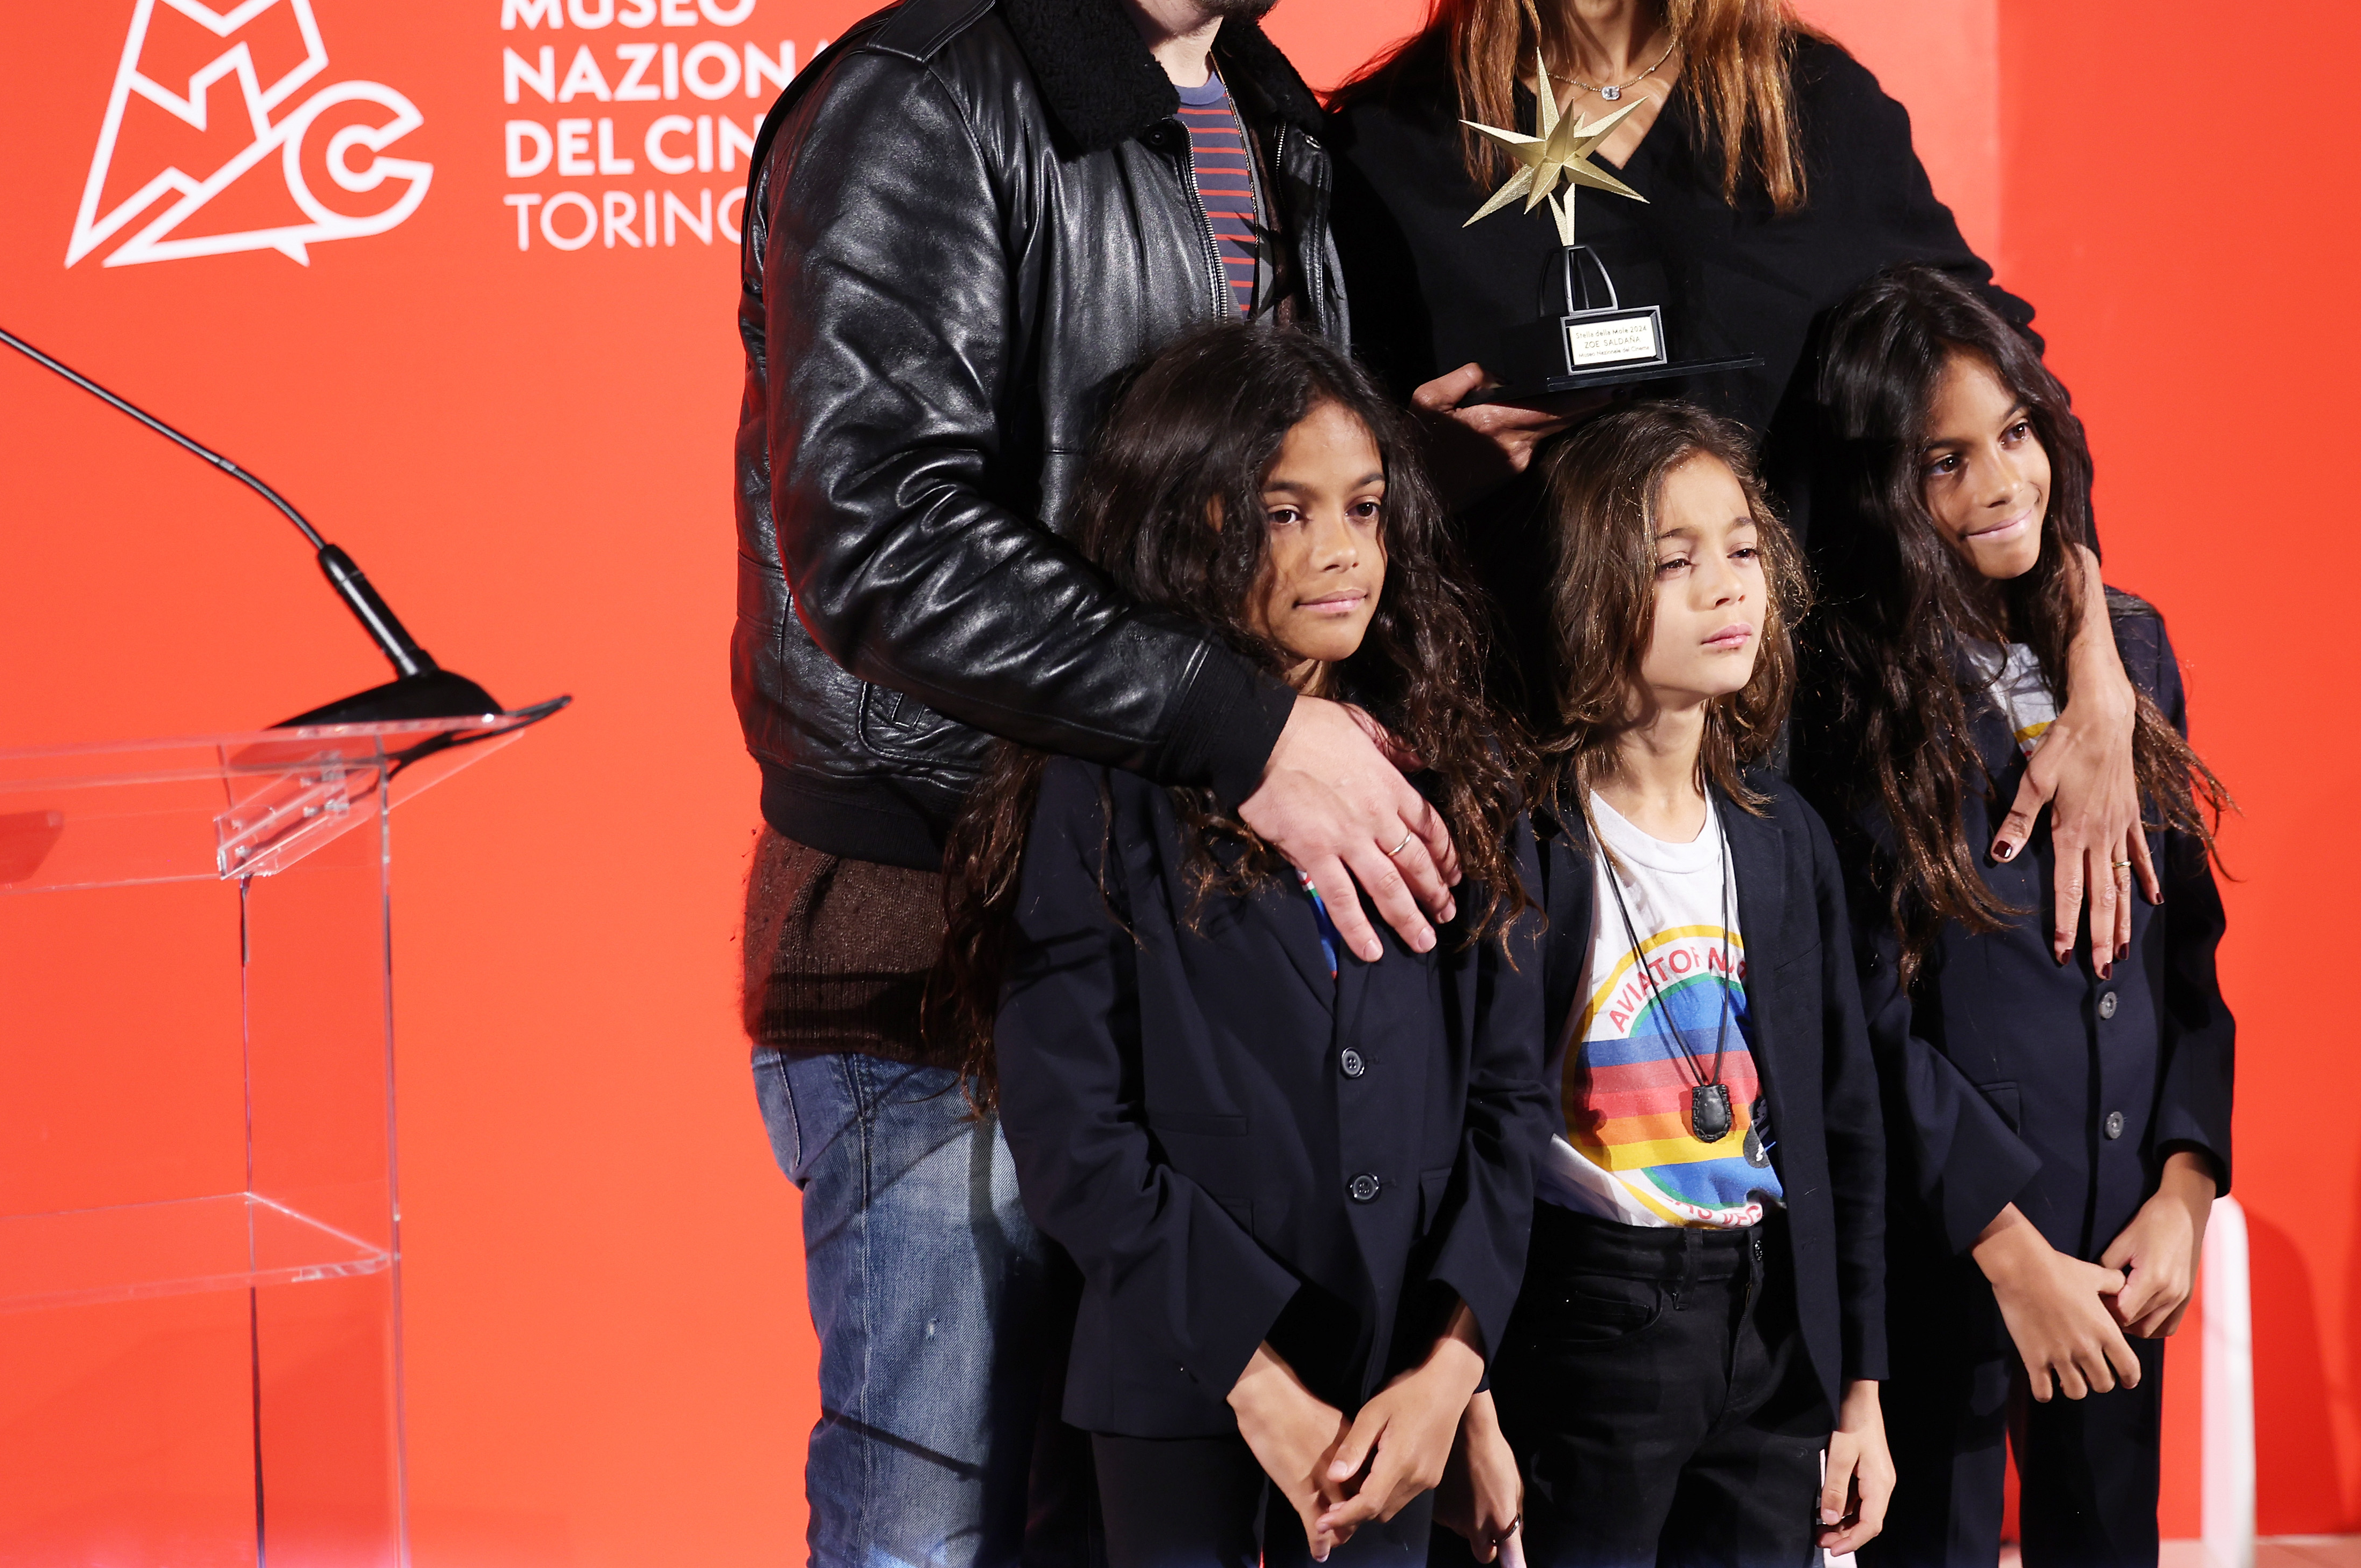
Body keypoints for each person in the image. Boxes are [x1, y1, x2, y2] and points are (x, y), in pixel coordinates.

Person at [728, 0, 1462, 1563]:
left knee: (1120, 1507)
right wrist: (1243, 735)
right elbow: (871, 535)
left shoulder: (1282, 127)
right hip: (929, 943)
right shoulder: (917, 102)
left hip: (1193, 942)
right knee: (936, 1496)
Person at [1326, 0, 2157, 977]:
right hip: (1504, 863)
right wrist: (1405, 475)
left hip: (1801, 834)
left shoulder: (1819, 116)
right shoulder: (1379, 150)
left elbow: (2002, 403)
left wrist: (2095, 655)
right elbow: (1309, 503)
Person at [938, 324, 1546, 1566]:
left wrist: (1453, 1374)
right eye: (1286, 513)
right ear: (1193, 520)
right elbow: (1075, 1136)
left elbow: (1507, 1101)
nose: (1340, 552)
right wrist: (1256, 1383)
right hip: (1179, 1390)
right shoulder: (1103, 790)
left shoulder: (1456, 770)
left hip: (1397, 1398)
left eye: (1365, 509)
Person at [1795, 267, 2235, 1568]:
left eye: (2015, 434)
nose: (1999, 482)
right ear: (1884, 480)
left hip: (2121, 1256)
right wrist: (2007, 1246)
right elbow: (1859, 1020)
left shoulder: (2131, 649)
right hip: (1955, 1258)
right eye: (1946, 458)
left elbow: (2189, 953)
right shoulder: (1843, 697)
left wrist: (2186, 1185)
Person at [1462, 401, 1896, 1566]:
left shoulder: (1782, 835)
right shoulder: (1526, 835)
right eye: (1675, 559)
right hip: (1593, 1318)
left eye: (1746, 549)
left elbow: (1842, 1119)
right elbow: (1473, 1136)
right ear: (1591, 588)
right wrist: (1475, 1403)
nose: (1728, 587)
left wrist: (1859, 1390)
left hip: (1765, 1316)